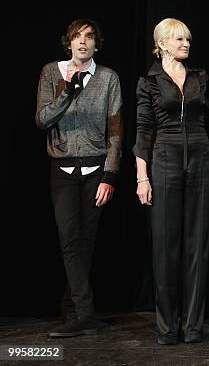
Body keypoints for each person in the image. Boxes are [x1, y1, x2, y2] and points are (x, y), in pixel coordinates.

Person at [133, 18, 209, 345]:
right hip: (164, 158)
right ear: (161, 43)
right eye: (178, 39)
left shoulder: (200, 77)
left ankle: (193, 326)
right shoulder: (148, 81)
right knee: (165, 245)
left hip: (201, 158)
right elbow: (143, 130)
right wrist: (142, 176)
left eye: (187, 39)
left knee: (197, 243)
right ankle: (166, 327)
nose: (185, 44)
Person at [36, 19, 123, 338]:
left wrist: (110, 175)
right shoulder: (51, 72)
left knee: (86, 243)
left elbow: (115, 131)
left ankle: (72, 308)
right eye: (76, 37)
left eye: (89, 37)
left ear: (96, 44)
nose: (82, 42)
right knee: (69, 238)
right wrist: (68, 92)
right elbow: (43, 119)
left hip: (96, 169)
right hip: (62, 168)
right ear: (68, 42)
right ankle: (85, 313)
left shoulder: (108, 77)